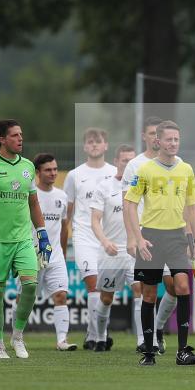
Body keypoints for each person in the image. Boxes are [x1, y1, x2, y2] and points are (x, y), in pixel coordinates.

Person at [124, 120, 195, 366]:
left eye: (176, 139)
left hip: (177, 238)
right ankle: (148, 351)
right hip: (152, 238)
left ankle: (183, 351)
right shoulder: (145, 170)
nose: (173, 143)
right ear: (158, 141)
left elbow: (192, 207)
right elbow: (130, 204)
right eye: (169, 139)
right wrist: (138, 238)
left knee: (182, 287)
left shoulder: (186, 169)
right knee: (149, 294)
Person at [0, 119, 51, 359]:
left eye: (21, 135)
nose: (20, 139)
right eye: (15, 135)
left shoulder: (27, 166)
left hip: (23, 239)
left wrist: (42, 233)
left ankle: (17, 336)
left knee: (30, 285)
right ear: (2, 139)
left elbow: (33, 202)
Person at [121, 116, 182, 355]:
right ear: (146, 137)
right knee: (145, 288)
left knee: (175, 287)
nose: (157, 137)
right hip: (145, 234)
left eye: (161, 133)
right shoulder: (135, 166)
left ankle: (156, 329)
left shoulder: (179, 163)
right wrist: (132, 237)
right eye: (152, 133)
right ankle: (144, 340)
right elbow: (128, 204)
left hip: (172, 235)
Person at [64, 127, 116, 350]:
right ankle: (97, 337)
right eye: (90, 142)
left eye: (99, 141)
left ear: (106, 145)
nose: (95, 145)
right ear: (84, 147)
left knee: (106, 289)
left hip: (110, 239)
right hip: (85, 236)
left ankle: (94, 332)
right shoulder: (75, 175)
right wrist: (64, 240)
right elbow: (68, 211)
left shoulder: (115, 173)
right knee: (94, 286)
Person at [90, 145, 136, 352]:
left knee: (141, 292)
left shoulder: (140, 186)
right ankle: (100, 337)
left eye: (132, 160)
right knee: (107, 297)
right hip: (112, 251)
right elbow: (95, 220)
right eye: (125, 160)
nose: (128, 164)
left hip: (134, 250)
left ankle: (144, 341)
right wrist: (105, 241)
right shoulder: (104, 187)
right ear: (116, 161)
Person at [32, 152, 75, 351]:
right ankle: (17, 335)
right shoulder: (29, 194)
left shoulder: (62, 196)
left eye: (55, 169)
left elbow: (64, 227)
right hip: (32, 255)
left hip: (56, 256)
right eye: (48, 170)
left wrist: (63, 254)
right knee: (26, 299)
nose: (53, 173)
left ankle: (61, 341)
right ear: (37, 172)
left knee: (61, 296)